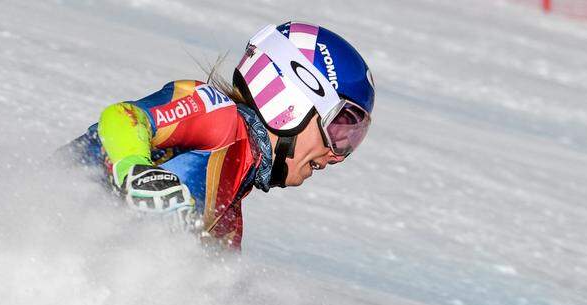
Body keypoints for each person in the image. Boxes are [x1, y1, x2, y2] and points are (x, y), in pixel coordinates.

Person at [64, 22, 375, 248]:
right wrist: (136, 171)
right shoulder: (218, 116)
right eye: (340, 127)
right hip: (54, 228)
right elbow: (121, 117)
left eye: (352, 137)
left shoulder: (229, 217)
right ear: (295, 98)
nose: (337, 155)